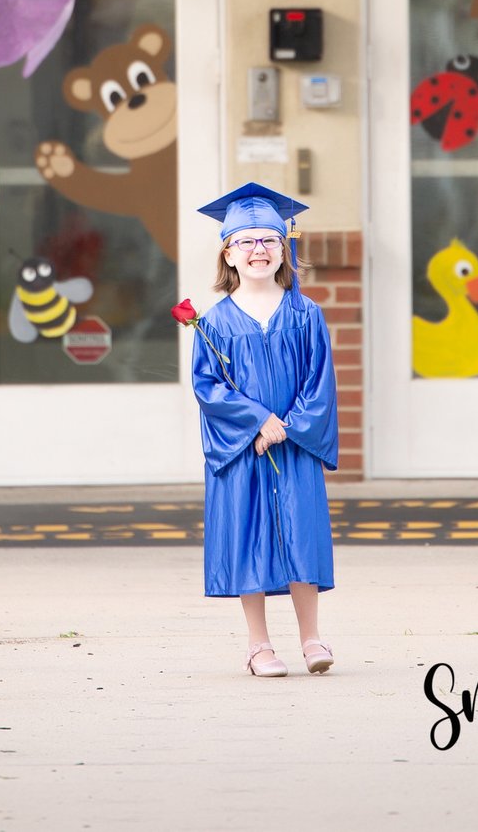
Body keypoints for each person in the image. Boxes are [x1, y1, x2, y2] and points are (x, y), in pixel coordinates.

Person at [186, 181, 339, 678]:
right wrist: (256, 422)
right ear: (227, 252)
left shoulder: (306, 314)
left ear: (284, 249)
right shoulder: (215, 323)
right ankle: (259, 646)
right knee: (249, 541)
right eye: (246, 241)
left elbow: (320, 383)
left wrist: (289, 427)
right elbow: (208, 388)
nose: (258, 250)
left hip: (293, 446)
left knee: (301, 537)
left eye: (269, 240)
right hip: (245, 449)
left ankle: (312, 639)